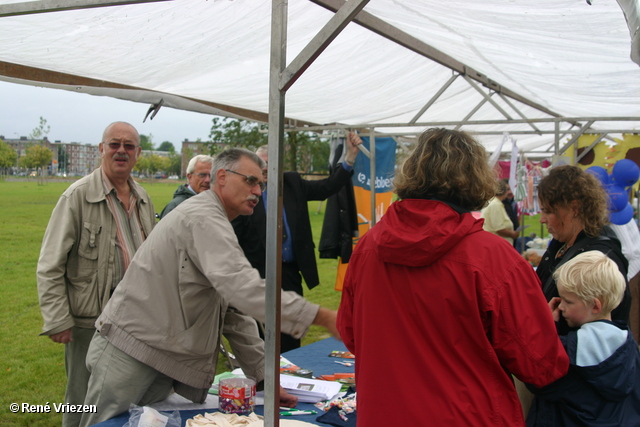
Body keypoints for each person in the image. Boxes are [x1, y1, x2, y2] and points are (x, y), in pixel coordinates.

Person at [79, 148, 339, 427]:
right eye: (251, 181)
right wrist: (323, 318)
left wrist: (266, 378)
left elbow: (231, 312)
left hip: (156, 358)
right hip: (129, 354)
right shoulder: (204, 216)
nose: (258, 191)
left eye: (261, 184)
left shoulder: (218, 219)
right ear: (223, 177)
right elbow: (242, 287)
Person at [337, 128, 569, 427]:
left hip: (385, 413)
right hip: (468, 414)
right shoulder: (495, 259)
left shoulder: (369, 247)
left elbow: (352, 333)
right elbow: (541, 364)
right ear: (476, 177)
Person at [36, 122, 156, 427]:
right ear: (100, 149)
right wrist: (57, 319)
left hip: (135, 321)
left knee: (122, 398)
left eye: (129, 146)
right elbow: (50, 265)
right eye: (114, 144)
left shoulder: (142, 197)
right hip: (90, 321)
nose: (121, 151)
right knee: (81, 398)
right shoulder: (77, 196)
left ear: (138, 154)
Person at [232, 131, 361, 352]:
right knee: (258, 333)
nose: (267, 172)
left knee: (290, 329)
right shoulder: (245, 193)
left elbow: (327, 187)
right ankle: (262, 378)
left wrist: (349, 157)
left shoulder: (291, 182)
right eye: (261, 168)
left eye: (271, 165)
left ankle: (289, 372)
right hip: (257, 273)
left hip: (289, 271)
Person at [526, 251, 640, 426]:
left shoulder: (570, 351)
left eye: (568, 301)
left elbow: (536, 376)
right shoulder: (628, 346)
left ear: (595, 305)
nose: (561, 307)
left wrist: (547, 326)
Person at [535, 165, 631, 336]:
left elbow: (599, 332)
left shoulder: (598, 258)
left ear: (574, 208)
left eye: (548, 211)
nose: (542, 220)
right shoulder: (562, 244)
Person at [159, 154, 214, 219]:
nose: (207, 180)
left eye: (211, 175)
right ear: (189, 177)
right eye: (202, 175)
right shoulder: (175, 207)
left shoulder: (217, 204)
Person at [481, 178, 520, 244]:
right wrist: (513, 234)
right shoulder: (496, 205)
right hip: (497, 244)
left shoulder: (493, 202)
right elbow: (499, 229)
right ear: (504, 192)